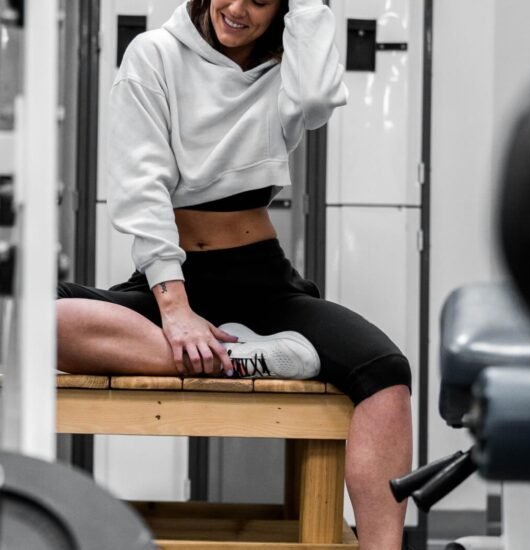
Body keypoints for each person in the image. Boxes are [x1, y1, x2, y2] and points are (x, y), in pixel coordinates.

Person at [57, 0, 413, 547]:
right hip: (174, 282)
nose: (238, 9)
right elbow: (142, 188)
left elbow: (316, 101)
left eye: (261, 0)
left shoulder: (287, 67)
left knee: (386, 374)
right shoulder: (153, 55)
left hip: (261, 282)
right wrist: (176, 310)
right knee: (39, 316)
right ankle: (243, 358)